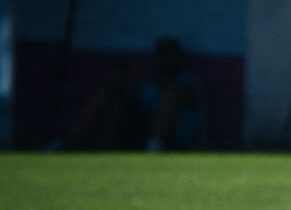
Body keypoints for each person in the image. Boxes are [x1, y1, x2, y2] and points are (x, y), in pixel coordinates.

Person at [48, 36, 203, 152]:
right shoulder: (148, 78)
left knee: (169, 97)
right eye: (162, 55)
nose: (166, 61)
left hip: (174, 132)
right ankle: (65, 142)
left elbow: (178, 95)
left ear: (179, 57)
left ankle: (154, 145)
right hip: (138, 126)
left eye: (170, 56)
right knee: (108, 94)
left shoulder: (188, 80)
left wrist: (156, 80)